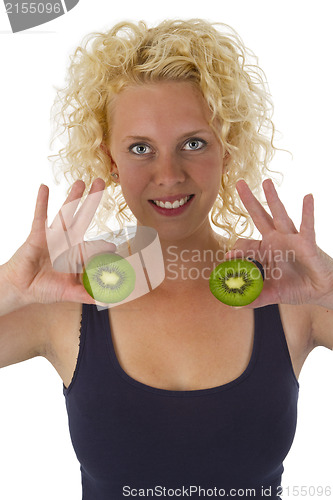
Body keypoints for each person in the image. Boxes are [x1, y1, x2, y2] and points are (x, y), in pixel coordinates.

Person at [1, 18, 333, 500]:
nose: (169, 174)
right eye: (141, 149)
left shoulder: (290, 294)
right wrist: (8, 288)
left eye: (192, 144)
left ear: (227, 147)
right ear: (110, 161)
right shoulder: (62, 300)